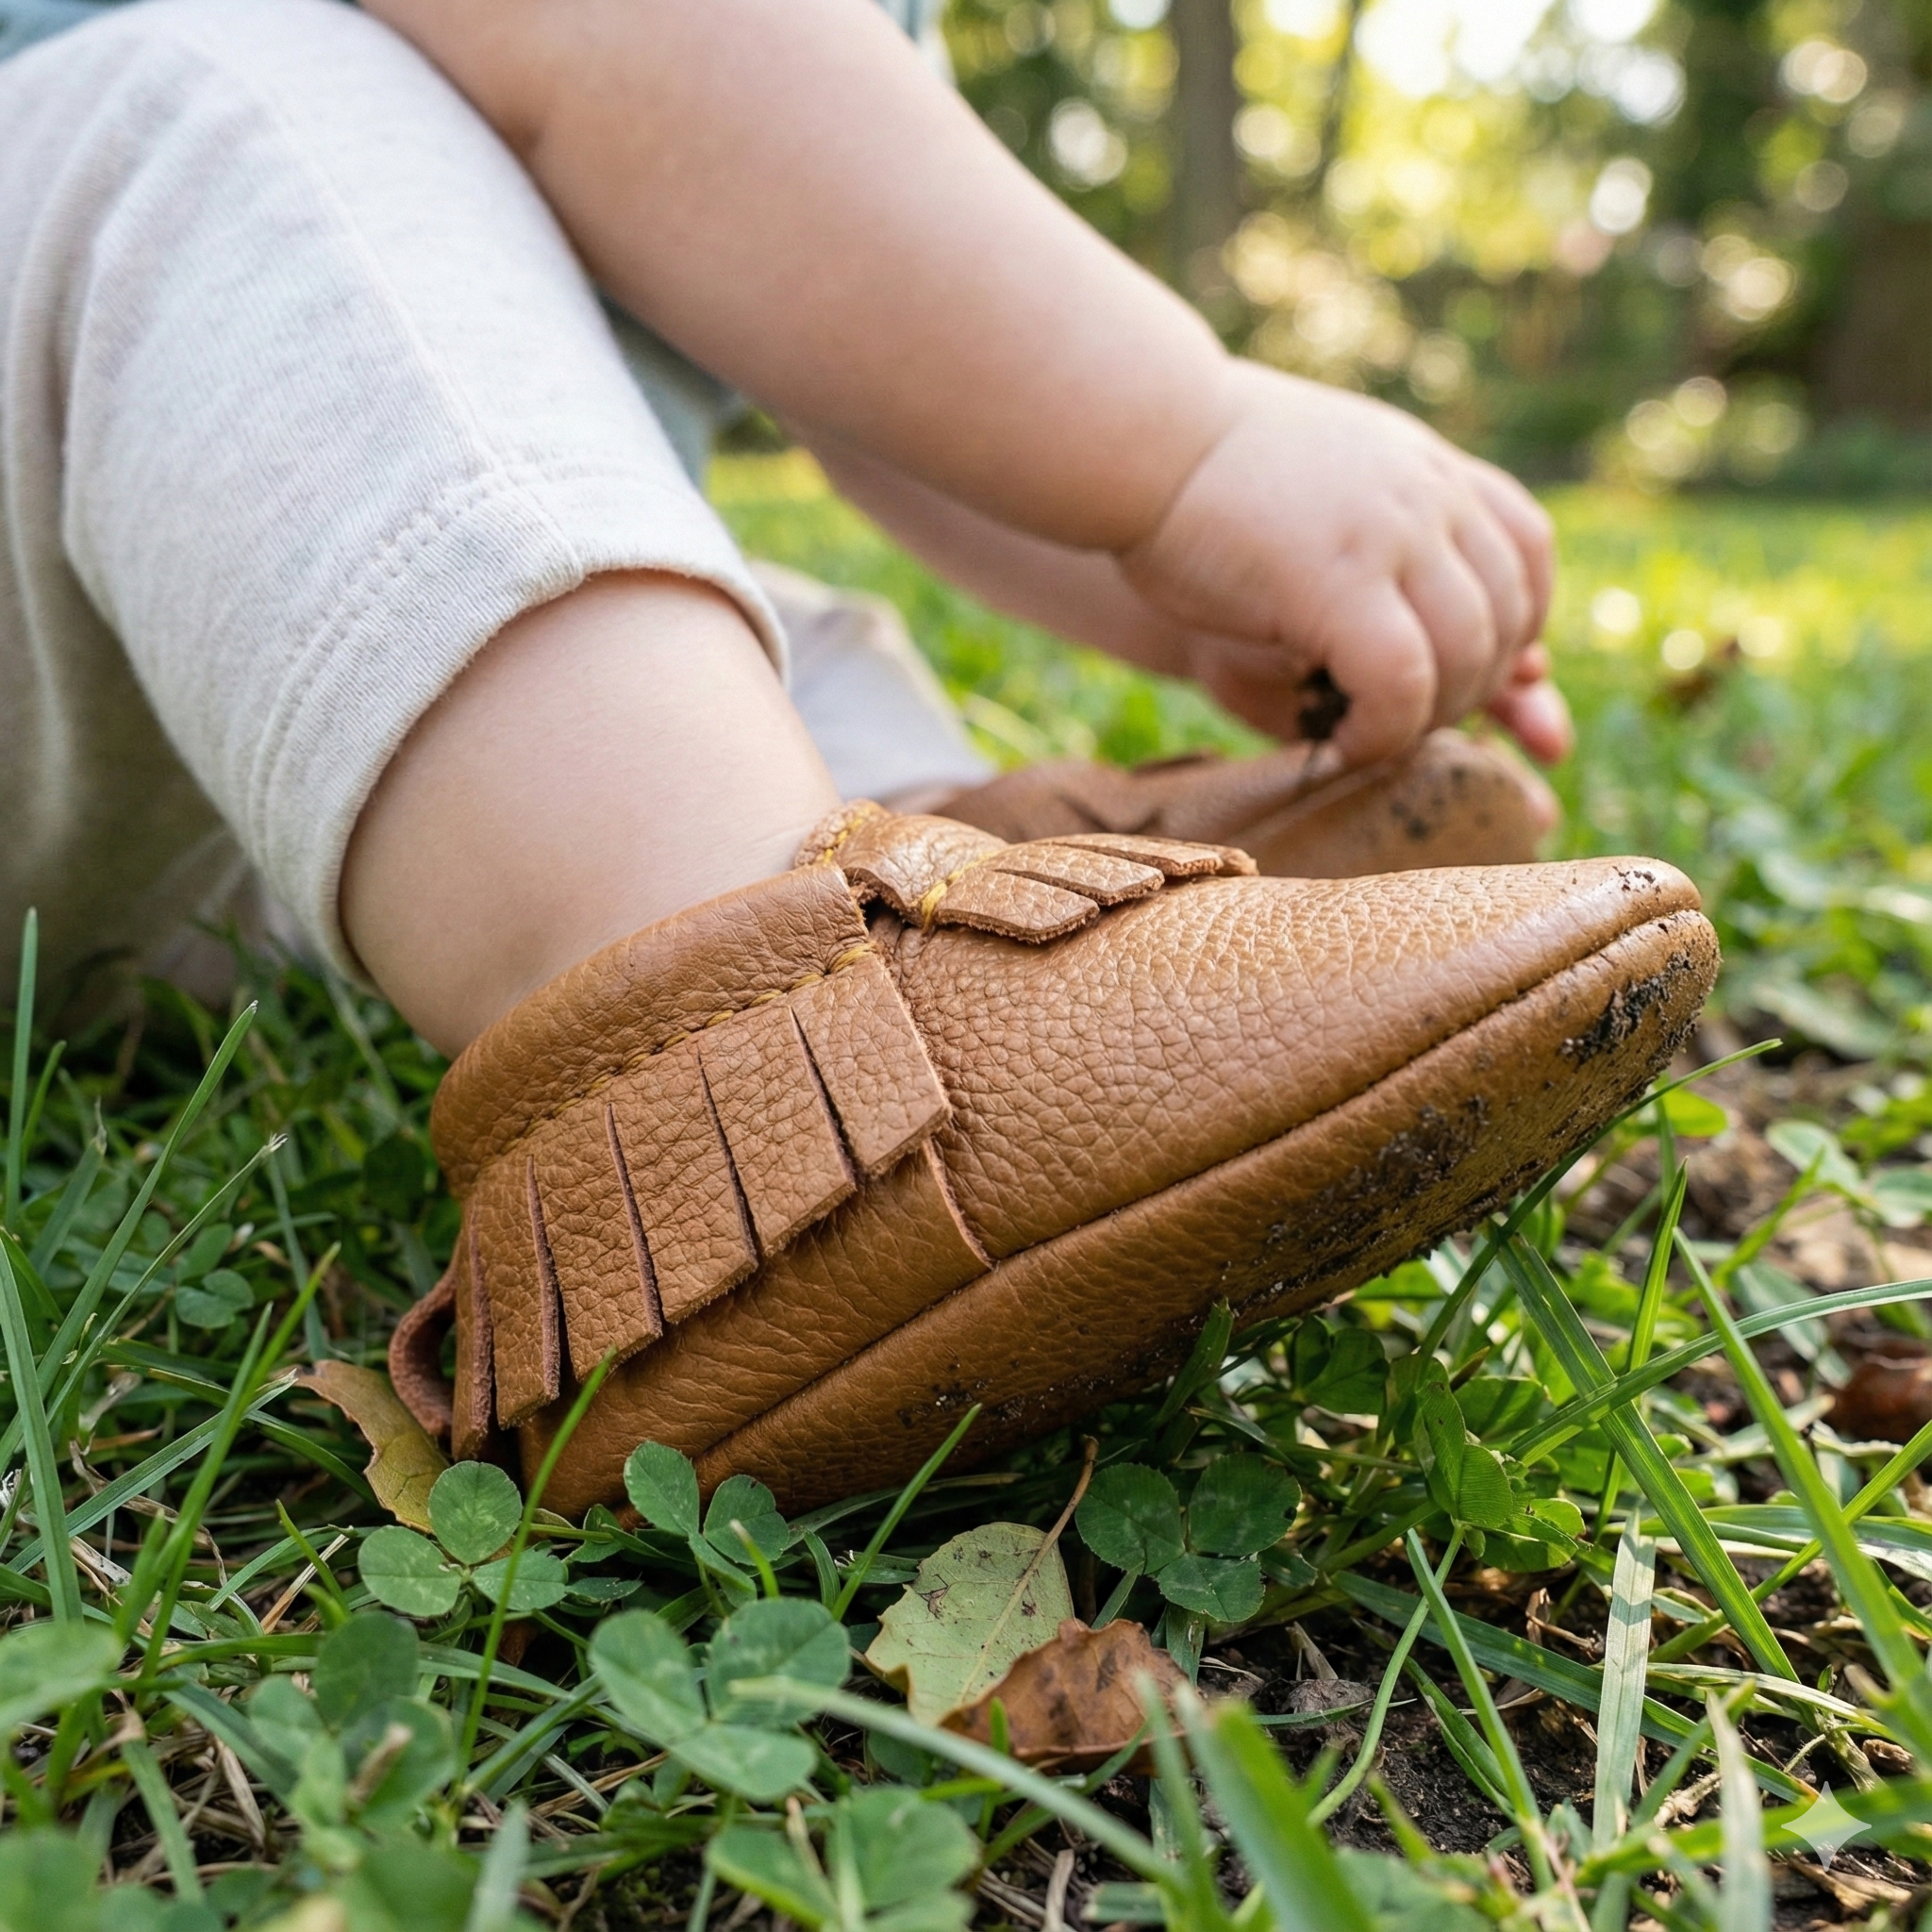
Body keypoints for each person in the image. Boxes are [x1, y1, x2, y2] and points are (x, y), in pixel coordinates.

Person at [0, 0, 1715, 1507]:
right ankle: (734, 1014)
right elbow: (590, 35)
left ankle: (935, 863)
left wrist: (1177, 583)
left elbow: (812, 306)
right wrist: (1190, 436)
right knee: (207, 110)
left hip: (267, 737)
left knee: (745, 625)